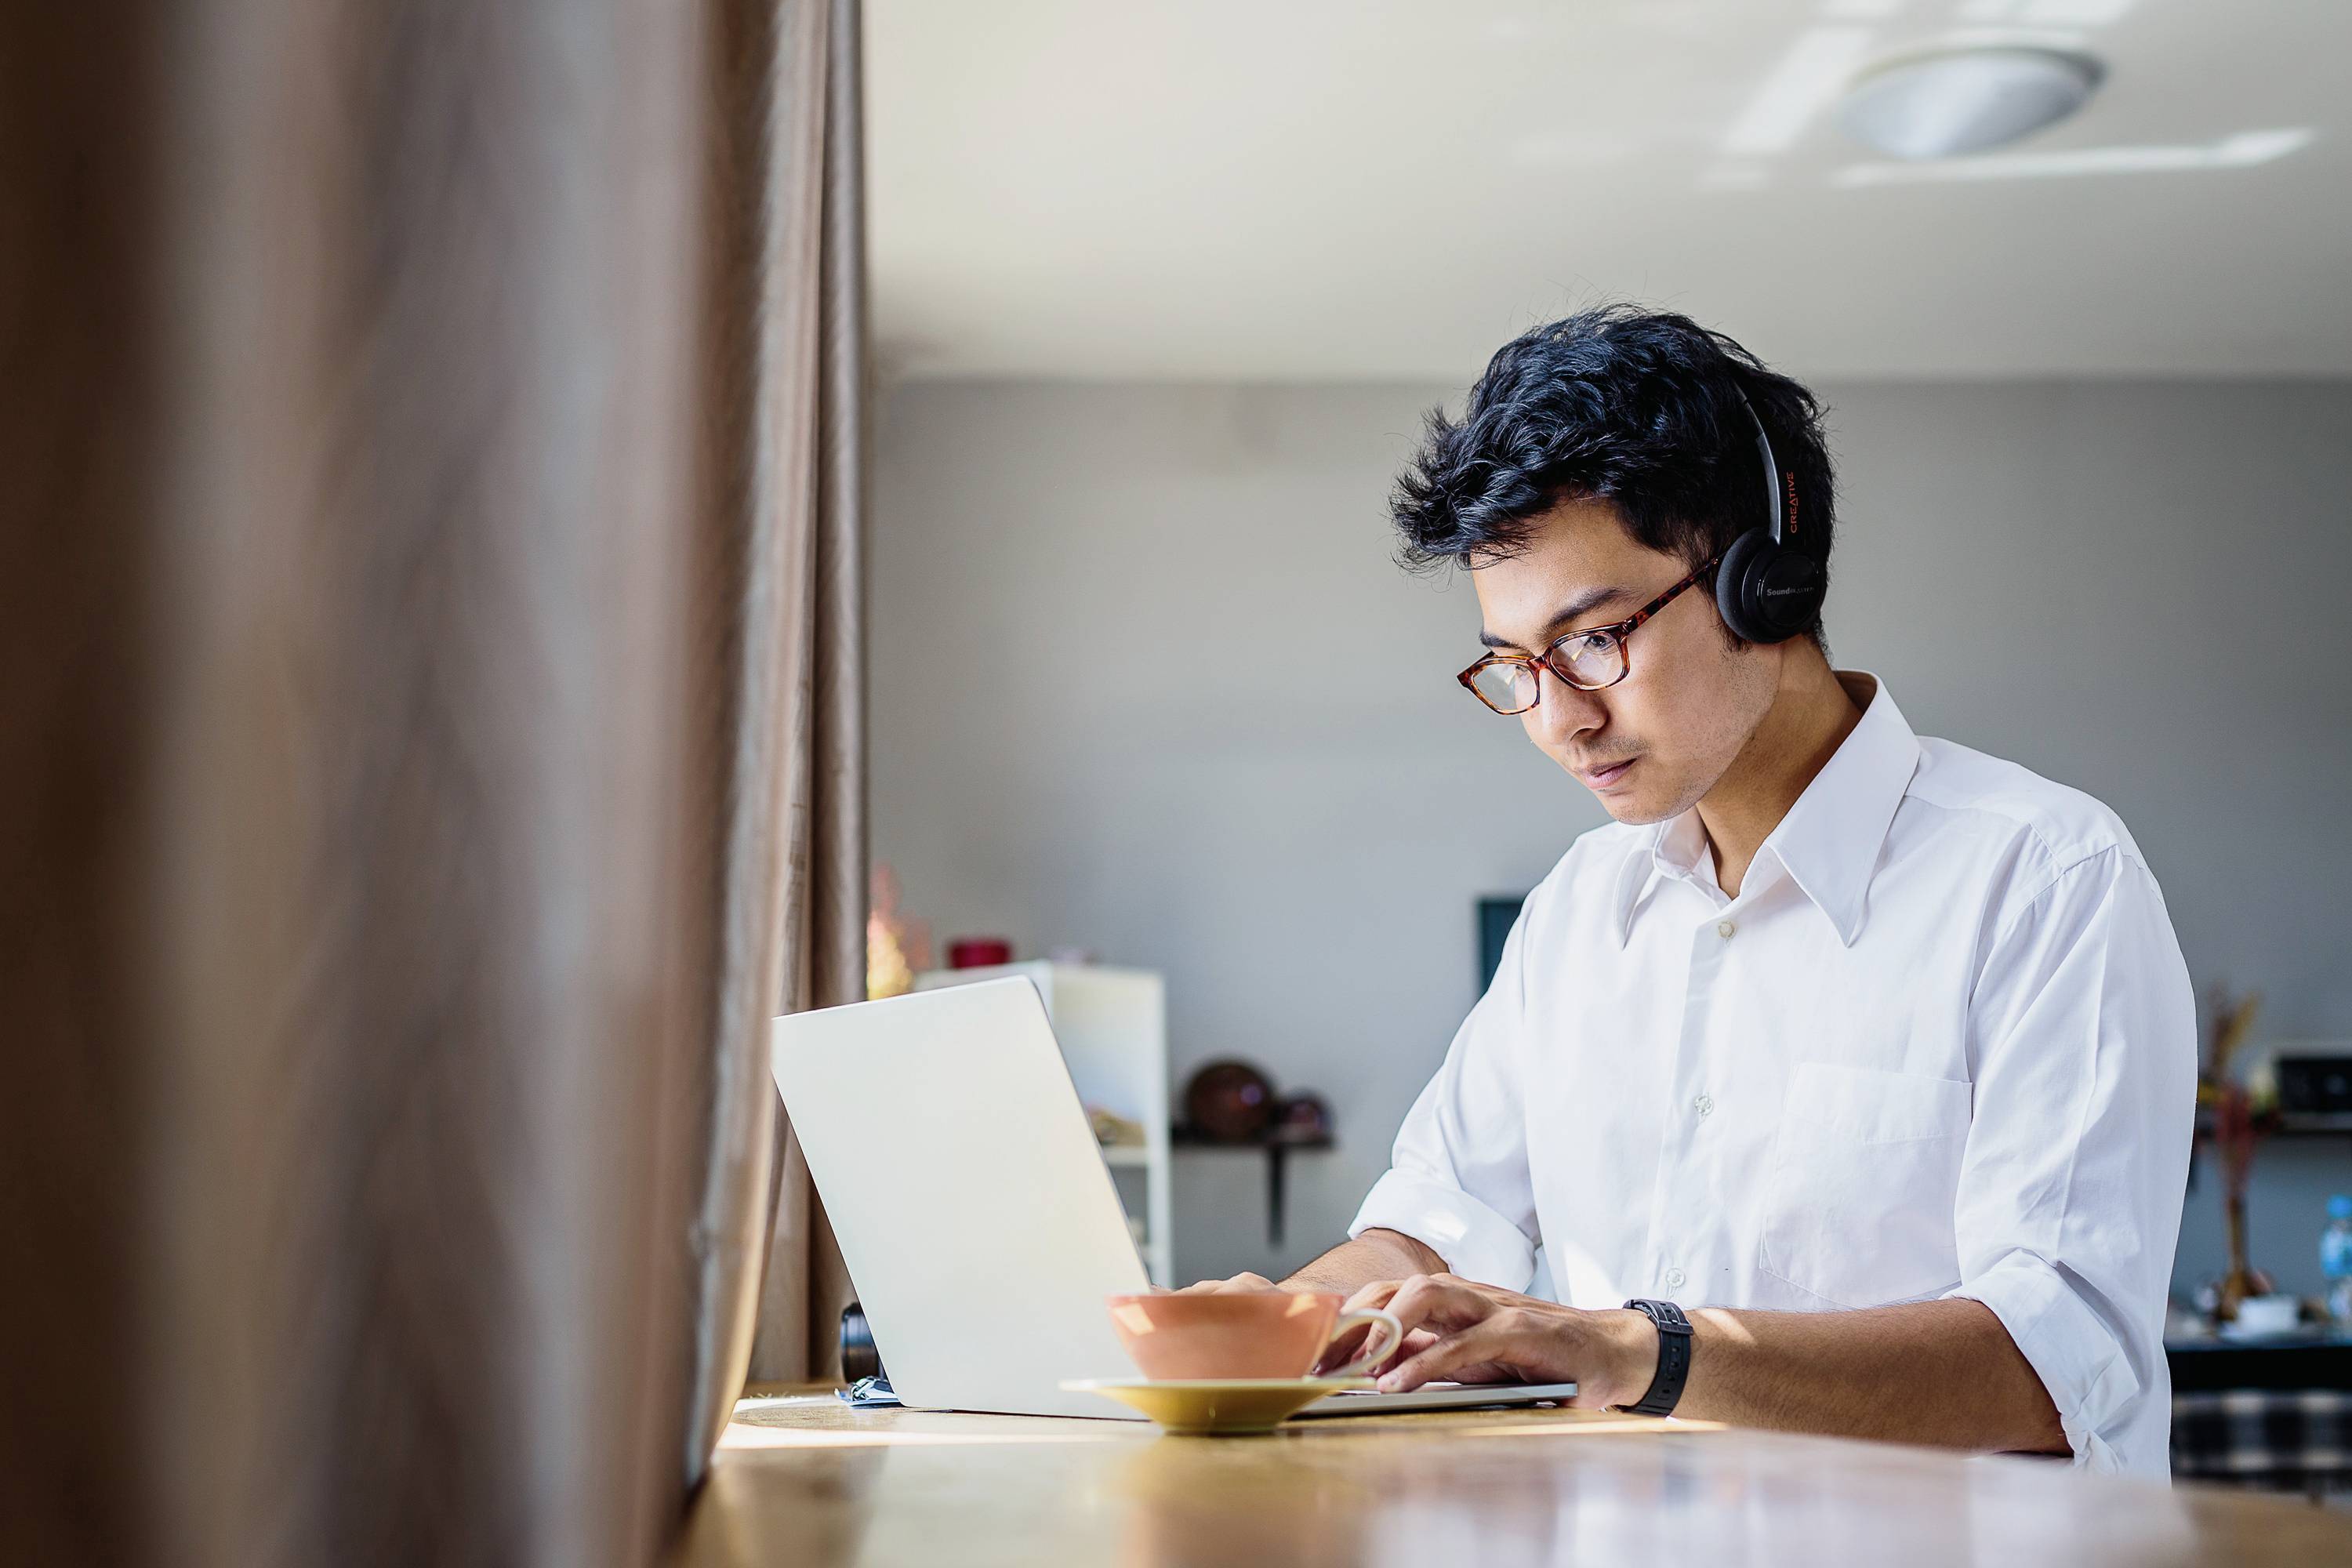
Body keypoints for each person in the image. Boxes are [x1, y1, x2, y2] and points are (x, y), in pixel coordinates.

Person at [1188, 305, 2194, 1479]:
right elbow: (1432, 1227)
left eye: (1596, 638)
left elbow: (2054, 1363)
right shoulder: (1578, 913)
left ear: (1762, 578)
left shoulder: (2044, 879)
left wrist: (1643, 1354)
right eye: (1514, 667)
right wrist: (1261, 1329)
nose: (1560, 719)